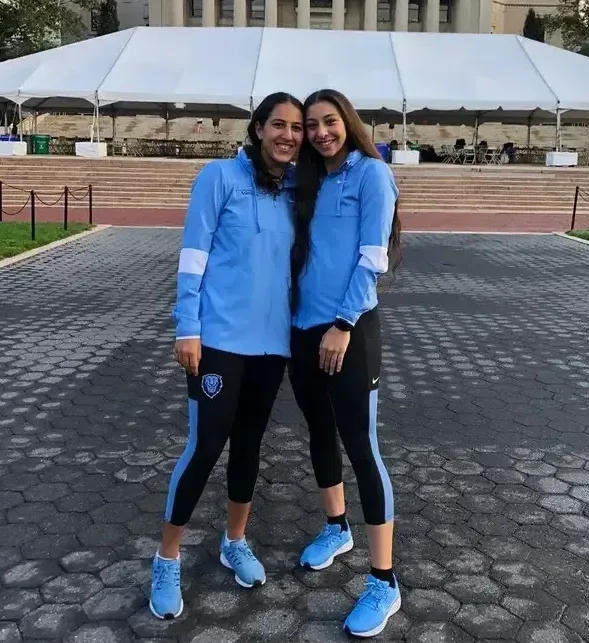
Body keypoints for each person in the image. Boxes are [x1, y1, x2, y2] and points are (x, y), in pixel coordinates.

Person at [149, 92, 304, 620]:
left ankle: (234, 540)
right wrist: (186, 327)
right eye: (278, 125)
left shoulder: (297, 188)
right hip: (217, 340)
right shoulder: (218, 177)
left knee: (248, 447)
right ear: (258, 128)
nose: (288, 135)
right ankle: (167, 556)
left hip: (272, 346)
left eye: (297, 128)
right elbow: (194, 255)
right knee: (205, 445)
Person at [289, 89, 402, 639]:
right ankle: (337, 528)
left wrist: (343, 324)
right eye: (311, 125)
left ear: (347, 123)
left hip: (348, 330)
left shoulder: (370, 176)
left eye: (328, 122)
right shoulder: (308, 179)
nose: (320, 133)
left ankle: (385, 581)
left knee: (361, 444)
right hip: (300, 330)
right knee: (319, 432)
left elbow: (371, 257)